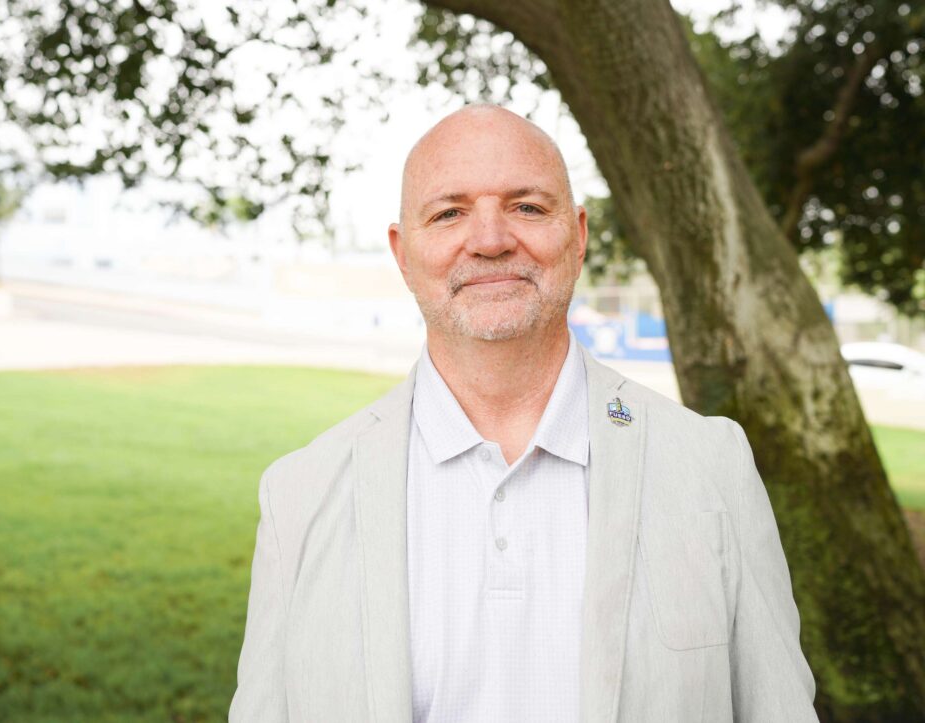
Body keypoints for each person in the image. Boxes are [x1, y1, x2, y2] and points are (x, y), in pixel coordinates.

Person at [228, 104, 818, 722]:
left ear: (580, 234)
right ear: (403, 253)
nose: (489, 241)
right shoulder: (300, 491)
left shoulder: (711, 466)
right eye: (449, 212)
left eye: (528, 207)